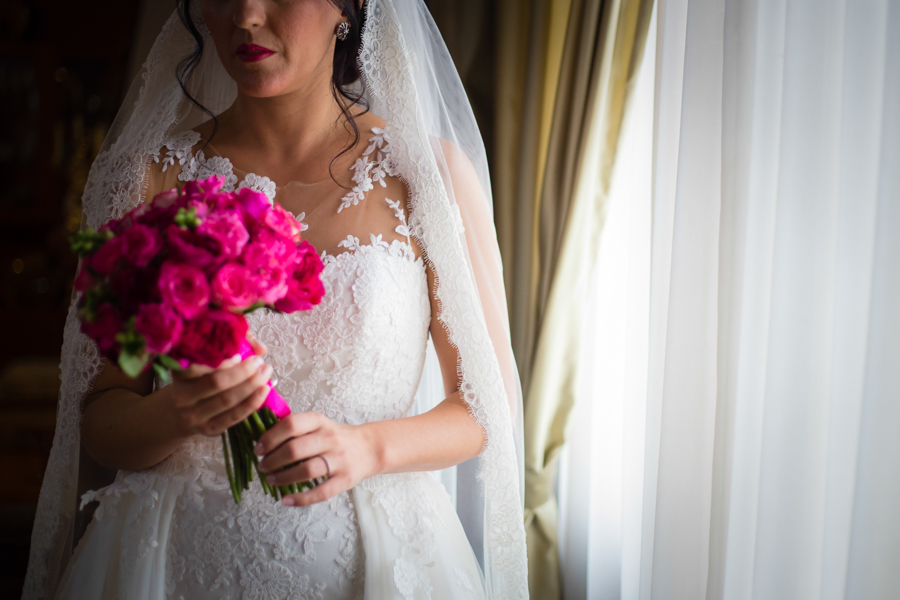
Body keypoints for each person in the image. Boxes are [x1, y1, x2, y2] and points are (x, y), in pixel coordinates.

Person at [23, 1, 527, 599]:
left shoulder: (427, 175)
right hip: (167, 562)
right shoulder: (146, 177)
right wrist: (177, 413)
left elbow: (482, 408)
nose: (246, 16)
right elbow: (100, 421)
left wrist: (365, 447)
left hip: (378, 561)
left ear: (349, 8)